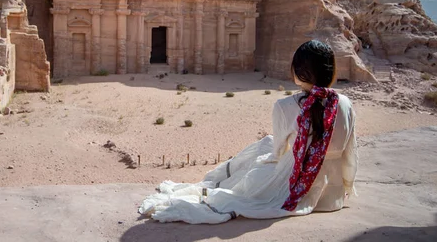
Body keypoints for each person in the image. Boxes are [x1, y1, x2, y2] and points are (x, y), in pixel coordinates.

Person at [138, 40, 358, 224]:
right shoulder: (346, 103)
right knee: (265, 146)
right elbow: (350, 154)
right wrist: (346, 186)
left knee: (259, 155)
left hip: (297, 188)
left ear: (298, 72)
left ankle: (217, 183)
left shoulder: (285, 106)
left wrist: (260, 164)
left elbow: (278, 153)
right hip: (332, 196)